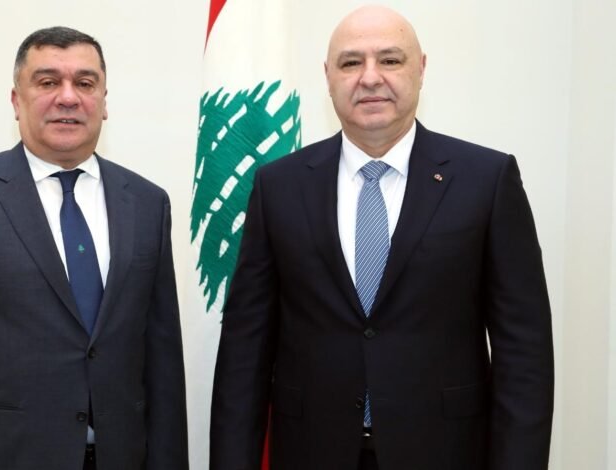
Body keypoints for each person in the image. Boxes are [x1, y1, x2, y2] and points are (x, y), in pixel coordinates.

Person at [210, 6, 553, 470]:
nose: (370, 77)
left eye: (390, 60)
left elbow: (524, 352)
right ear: (328, 76)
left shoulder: (487, 180)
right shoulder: (278, 187)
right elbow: (244, 351)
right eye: (351, 62)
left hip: (446, 454)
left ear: (421, 69)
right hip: (311, 452)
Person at [0, 26, 188, 470]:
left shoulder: (148, 203)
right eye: (48, 81)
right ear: (17, 101)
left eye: (85, 83)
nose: (68, 97)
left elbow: (163, 364)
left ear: (104, 102)